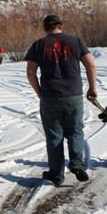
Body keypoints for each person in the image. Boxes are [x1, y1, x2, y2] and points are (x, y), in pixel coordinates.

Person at [25, 14, 97, 186]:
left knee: (54, 136)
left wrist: (39, 92)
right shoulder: (76, 41)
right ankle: (76, 164)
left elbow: (30, 72)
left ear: (45, 27)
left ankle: (56, 174)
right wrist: (92, 87)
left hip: (50, 96)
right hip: (74, 95)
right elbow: (90, 65)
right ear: (60, 25)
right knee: (75, 130)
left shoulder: (39, 45)